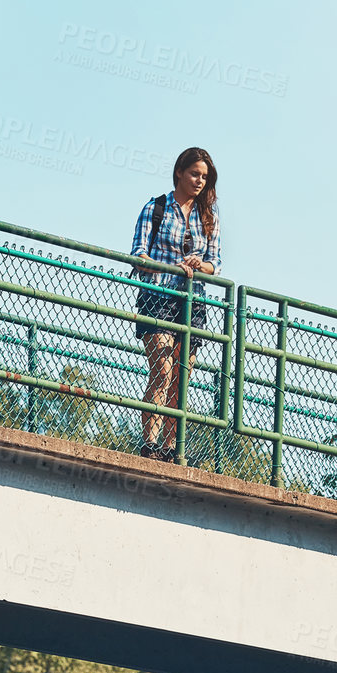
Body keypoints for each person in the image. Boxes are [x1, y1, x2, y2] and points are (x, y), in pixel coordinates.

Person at [130, 147, 221, 462]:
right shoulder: (155, 208)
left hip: (192, 303)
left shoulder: (208, 217)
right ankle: (149, 444)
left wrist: (199, 264)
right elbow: (138, 253)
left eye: (204, 176)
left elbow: (215, 265)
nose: (199, 181)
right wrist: (160, 266)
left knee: (182, 378)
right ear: (180, 172)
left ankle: (170, 448)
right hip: (157, 296)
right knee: (162, 370)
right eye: (194, 173)